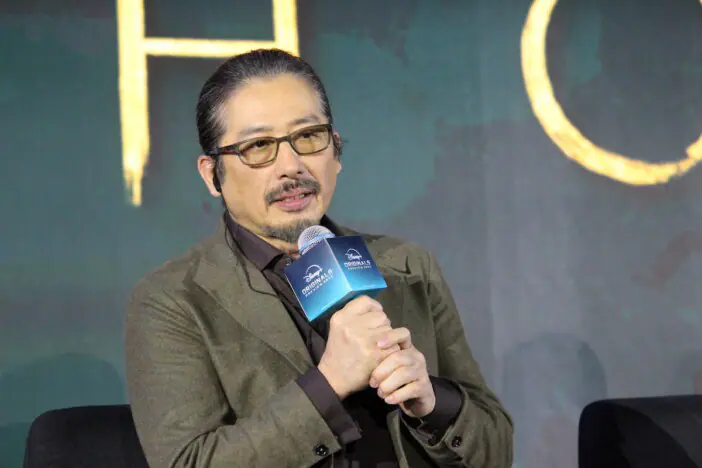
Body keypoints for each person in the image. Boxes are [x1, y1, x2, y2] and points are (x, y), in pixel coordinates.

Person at [124, 48, 513, 468]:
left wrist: (433, 403)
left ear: (336, 151)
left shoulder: (407, 266)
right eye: (259, 146)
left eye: (308, 137)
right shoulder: (172, 300)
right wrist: (329, 384)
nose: (291, 166)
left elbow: (496, 450)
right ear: (211, 174)